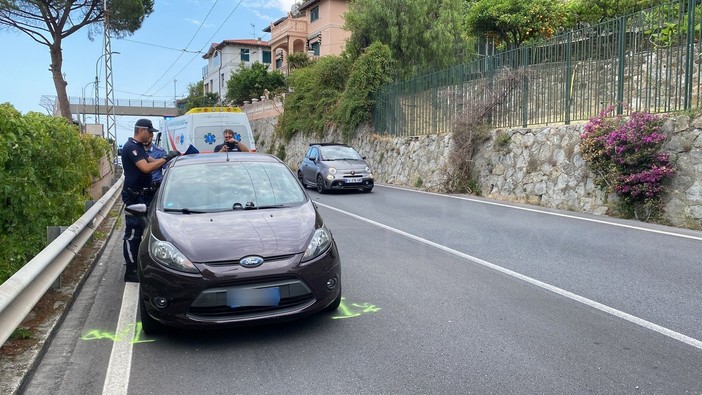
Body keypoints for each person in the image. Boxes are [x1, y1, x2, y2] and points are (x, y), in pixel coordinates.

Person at [121, 119, 179, 282]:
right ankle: (130, 271)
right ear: (141, 130)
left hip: (144, 195)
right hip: (134, 196)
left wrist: (168, 158)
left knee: (146, 232)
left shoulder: (138, 147)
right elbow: (146, 168)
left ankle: (141, 265)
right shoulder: (131, 147)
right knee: (133, 234)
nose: (152, 135)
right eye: (150, 131)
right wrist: (166, 158)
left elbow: (151, 161)